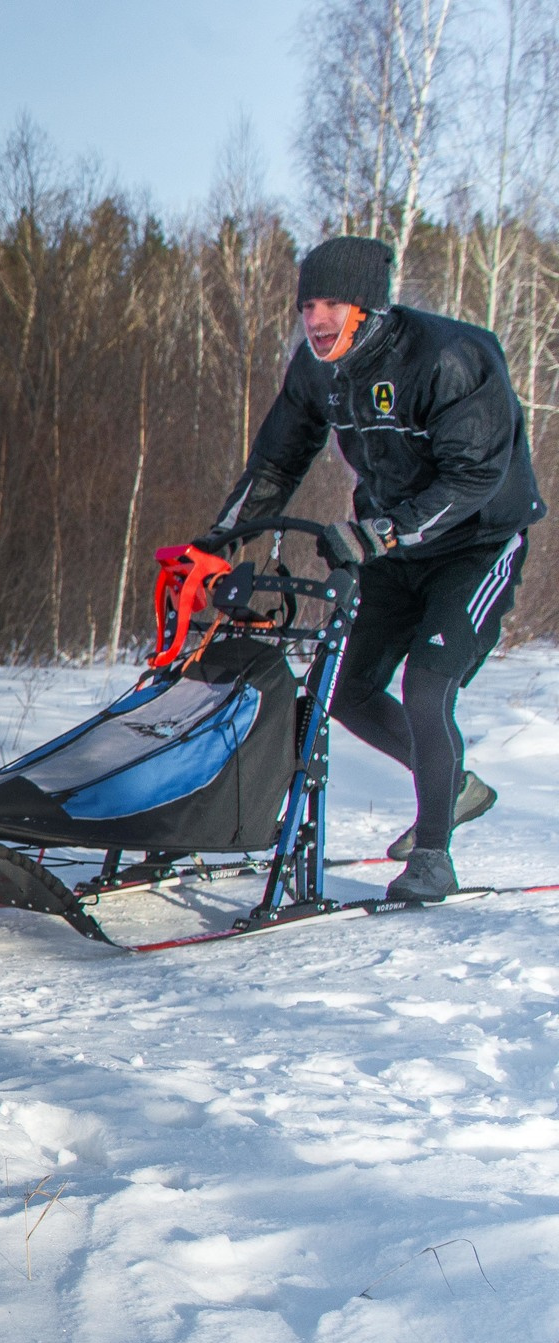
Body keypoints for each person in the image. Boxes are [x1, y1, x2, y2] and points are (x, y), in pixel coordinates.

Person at [206, 234, 544, 903]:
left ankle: (433, 852)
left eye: (331, 303)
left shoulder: (449, 358)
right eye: (306, 305)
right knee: (346, 689)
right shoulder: (316, 369)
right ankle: (456, 789)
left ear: (368, 307)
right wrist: (221, 541)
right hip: (391, 545)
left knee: (427, 686)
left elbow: (475, 476)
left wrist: (381, 532)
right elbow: (278, 459)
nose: (316, 319)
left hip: (477, 541)